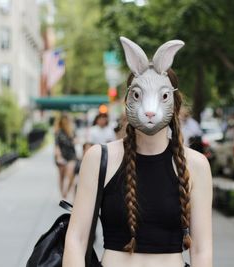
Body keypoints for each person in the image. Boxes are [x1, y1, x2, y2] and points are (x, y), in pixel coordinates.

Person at [63, 37, 213, 267]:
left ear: (173, 102)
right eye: (138, 95)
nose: (150, 110)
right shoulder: (99, 158)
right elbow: (76, 238)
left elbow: (202, 250)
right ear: (128, 101)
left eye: (162, 96)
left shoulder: (196, 165)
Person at [54, 114, 77, 198]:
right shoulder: (58, 132)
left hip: (71, 155)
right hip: (62, 155)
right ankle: (62, 194)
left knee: (71, 174)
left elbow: (76, 141)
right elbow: (56, 146)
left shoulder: (72, 131)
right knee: (62, 176)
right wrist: (58, 156)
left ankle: (66, 191)